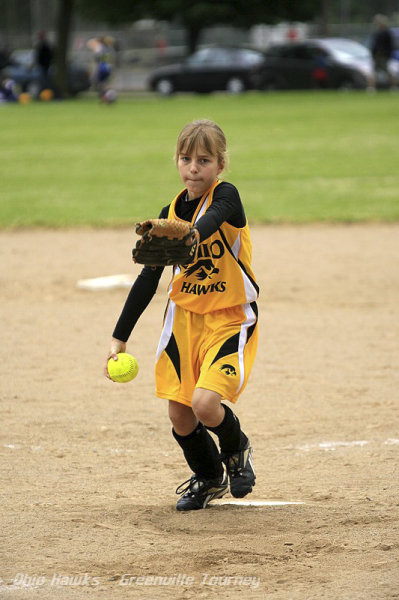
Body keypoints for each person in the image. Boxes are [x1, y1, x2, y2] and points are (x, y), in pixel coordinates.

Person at [104, 119, 259, 511]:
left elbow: (213, 217)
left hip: (229, 316)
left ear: (220, 165)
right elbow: (147, 279)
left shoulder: (228, 197)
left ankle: (237, 448)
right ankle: (209, 477)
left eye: (204, 160)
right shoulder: (168, 213)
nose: (194, 167)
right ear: (176, 161)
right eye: (186, 158)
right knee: (180, 413)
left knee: (206, 404)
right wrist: (119, 335)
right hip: (184, 320)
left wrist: (190, 234)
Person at [369, 14, 394, 89]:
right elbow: (374, 45)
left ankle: (393, 86)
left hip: (384, 56)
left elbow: (389, 45)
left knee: (387, 71)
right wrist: (373, 54)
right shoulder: (376, 33)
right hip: (376, 55)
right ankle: (372, 87)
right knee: (373, 72)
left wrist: (388, 54)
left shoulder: (386, 32)